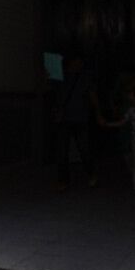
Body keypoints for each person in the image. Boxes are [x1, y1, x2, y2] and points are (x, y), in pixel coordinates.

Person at [53, 55, 99, 190]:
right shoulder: (63, 77)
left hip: (77, 118)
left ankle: (71, 179)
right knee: (64, 151)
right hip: (72, 117)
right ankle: (66, 179)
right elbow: (92, 96)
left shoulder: (79, 77)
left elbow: (92, 96)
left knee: (82, 149)